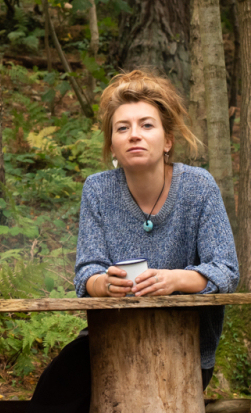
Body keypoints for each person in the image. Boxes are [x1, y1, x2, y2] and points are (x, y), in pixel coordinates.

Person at [28, 70, 239, 412]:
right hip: (109, 341)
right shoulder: (98, 189)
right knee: (54, 390)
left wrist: (173, 279)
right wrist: (104, 284)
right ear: (112, 143)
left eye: (146, 125)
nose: (134, 136)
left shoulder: (198, 187)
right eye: (122, 128)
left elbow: (226, 271)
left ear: (167, 140)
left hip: (186, 348)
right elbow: (87, 272)